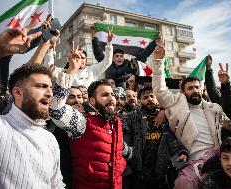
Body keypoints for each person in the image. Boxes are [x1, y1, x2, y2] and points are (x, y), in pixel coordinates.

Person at [50, 31, 126, 189]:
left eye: (112, 94)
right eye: (104, 95)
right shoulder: (82, 121)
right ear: (91, 100)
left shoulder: (117, 122)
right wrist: (70, 71)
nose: (111, 98)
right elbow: (56, 110)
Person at [152, 42, 227, 189]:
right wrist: (159, 62)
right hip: (188, 161)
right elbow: (159, 90)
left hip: (216, 160)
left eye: (197, 87)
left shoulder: (214, 109)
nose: (194, 90)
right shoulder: (175, 104)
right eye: (190, 88)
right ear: (183, 91)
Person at [0, 63, 64, 188]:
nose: (49, 93)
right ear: (18, 92)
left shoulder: (50, 139)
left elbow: (56, 184)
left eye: (51, 88)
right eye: (41, 86)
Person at [124, 86, 188, 189]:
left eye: (152, 96)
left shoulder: (167, 118)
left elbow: (172, 140)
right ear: (139, 101)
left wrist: (181, 153)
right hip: (138, 174)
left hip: (161, 175)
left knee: (181, 167)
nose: (149, 99)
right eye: (145, 97)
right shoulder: (133, 117)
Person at [90, 24, 161, 88]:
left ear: (124, 58)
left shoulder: (131, 64)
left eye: (121, 56)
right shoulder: (107, 65)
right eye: (117, 56)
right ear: (113, 59)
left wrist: (155, 42)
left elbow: (145, 53)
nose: (119, 58)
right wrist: (94, 36)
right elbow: (98, 52)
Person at [43, 30, 114, 87]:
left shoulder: (92, 71)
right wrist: (50, 47)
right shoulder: (64, 72)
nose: (80, 60)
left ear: (86, 60)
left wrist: (109, 44)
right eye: (77, 57)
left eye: (82, 58)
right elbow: (48, 67)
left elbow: (107, 62)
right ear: (70, 59)